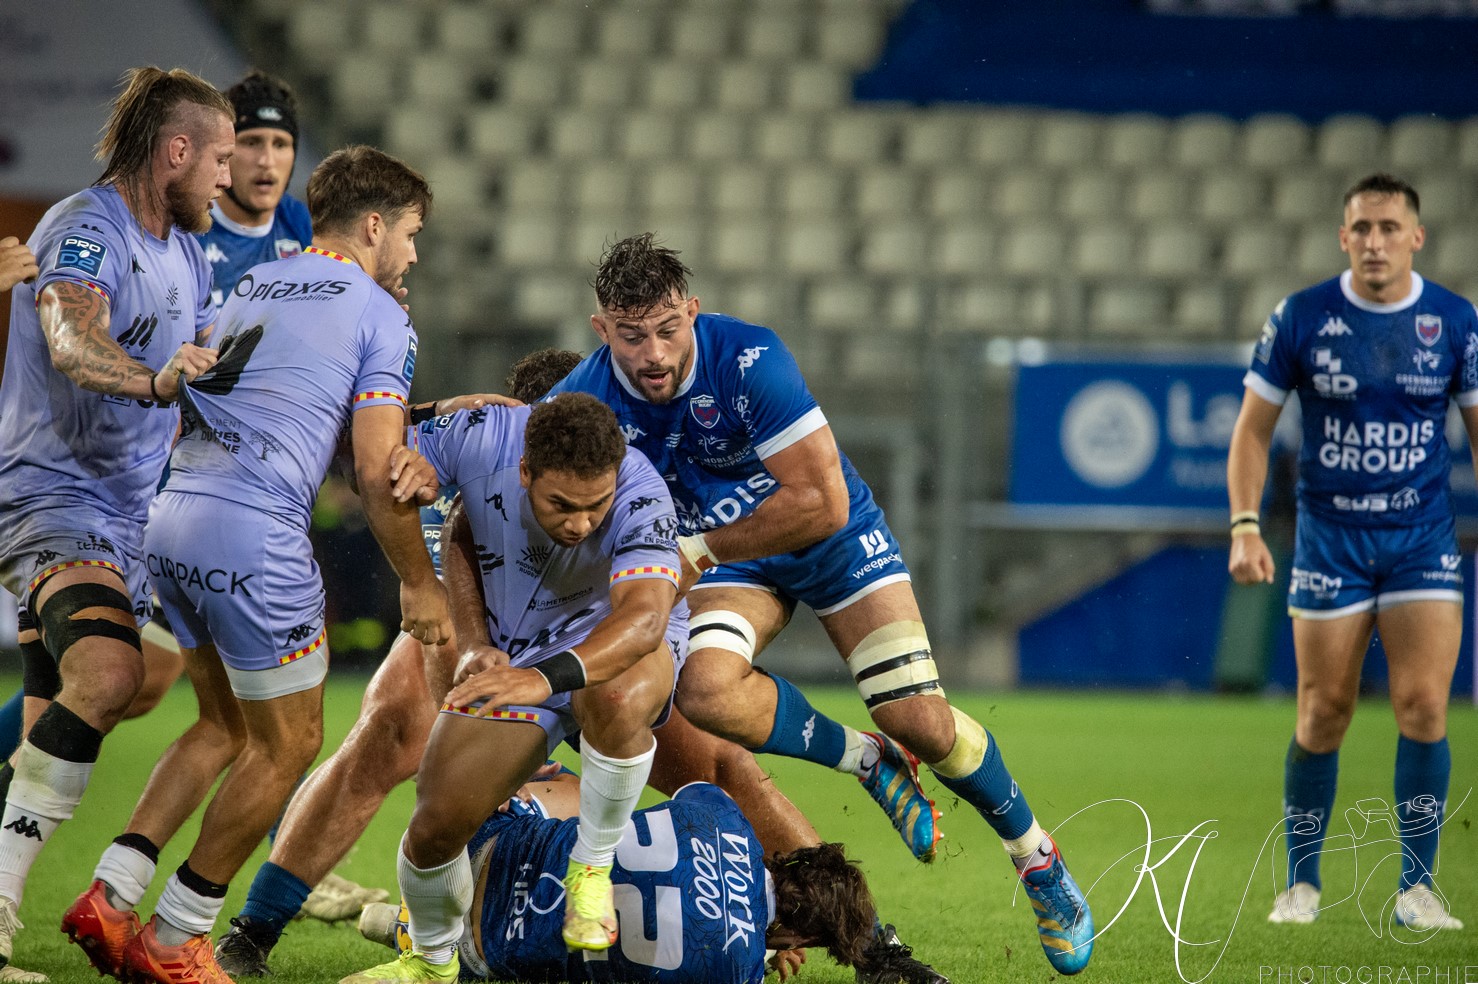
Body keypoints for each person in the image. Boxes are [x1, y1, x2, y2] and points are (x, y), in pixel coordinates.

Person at [546, 233, 1094, 977]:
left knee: (919, 720)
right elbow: (512, 455)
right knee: (705, 690)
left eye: (669, 329)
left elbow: (823, 503)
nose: (654, 353)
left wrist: (699, 550)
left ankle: (1036, 858)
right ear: (601, 329)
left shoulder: (750, 360)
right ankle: (866, 760)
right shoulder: (585, 397)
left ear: (693, 312)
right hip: (735, 560)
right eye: (632, 335)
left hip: (826, 538)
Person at [60, 144, 451, 984]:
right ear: (374, 226)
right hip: (253, 534)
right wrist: (420, 584)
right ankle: (177, 938)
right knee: (291, 741)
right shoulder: (382, 315)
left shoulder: (255, 283)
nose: (414, 254)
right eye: (412, 233)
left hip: (173, 519)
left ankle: (111, 896)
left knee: (221, 725)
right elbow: (377, 470)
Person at [213, 350, 584, 976]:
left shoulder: (627, 461)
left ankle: (752, 896)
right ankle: (257, 927)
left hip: (589, 637)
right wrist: (433, 413)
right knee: (387, 732)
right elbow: (356, 443)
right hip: (479, 630)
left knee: (689, 741)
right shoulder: (472, 440)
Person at [0, 65, 232, 980]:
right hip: (56, 496)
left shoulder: (188, 253)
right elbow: (70, 340)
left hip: (134, 516)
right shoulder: (87, 229)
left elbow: (202, 375)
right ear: (175, 151)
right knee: (110, 672)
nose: (226, 178)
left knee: (66, 707)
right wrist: (154, 381)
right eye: (218, 159)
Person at [341, 393, 687, 984]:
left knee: (614, 695)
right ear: (525, 470)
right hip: (516, 652)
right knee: (436, 824)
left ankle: (591, 872)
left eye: (596, 505)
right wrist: (407, 481)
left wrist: (541, 679)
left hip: (609, 644)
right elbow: (369, 467)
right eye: (562, 505)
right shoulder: (480, 438)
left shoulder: (641, 492)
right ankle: (432, 961)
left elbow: (645, 621)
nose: (581, 524)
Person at [1228, 173, 1475, 932]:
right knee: (1323, 710)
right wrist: (1245, 524)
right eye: (1361, 228)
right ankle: (1302, 884)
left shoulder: (1455, 321)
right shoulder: (1301, 317)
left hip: (1420, 539)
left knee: (1424, 703)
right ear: (1343, 238)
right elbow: (1252, 431)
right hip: (1329, 540)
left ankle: (1417, 891)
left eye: (1389, 228)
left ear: (1416, 237)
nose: (1374, 242)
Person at [356, 766, 877, 984]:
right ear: (804, 937)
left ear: (791, 861)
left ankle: (421, 914)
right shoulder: (739, 973)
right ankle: (411, 929)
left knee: (577, 787)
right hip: (484, 952)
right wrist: (761, 948)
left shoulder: (726, 815)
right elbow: (709, 930)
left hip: (473, 843)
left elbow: (688, 822)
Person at [199, 71, 312, 313]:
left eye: (280, 144)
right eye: (251, 142)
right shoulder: (188, 232)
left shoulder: (303, 225)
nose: (267, 161)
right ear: (223, 153)